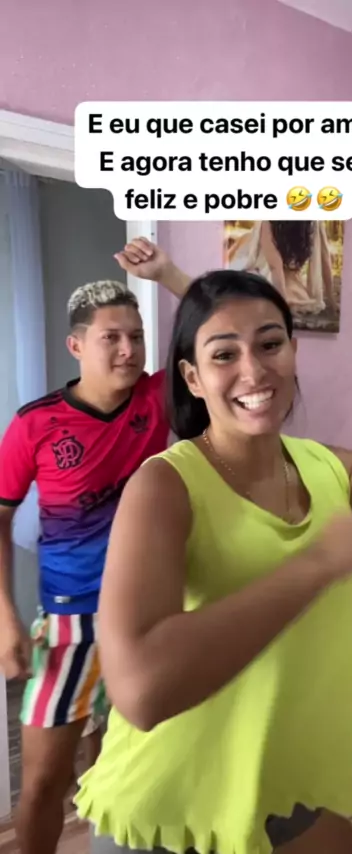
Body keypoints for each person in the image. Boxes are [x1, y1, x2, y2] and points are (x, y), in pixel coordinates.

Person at [74, 268, 352, 854]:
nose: (254, 370)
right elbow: (140, 688)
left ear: (293, 352)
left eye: (270, 344)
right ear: (192, 378)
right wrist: (315, 566)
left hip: (280, 789)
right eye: (224, 354)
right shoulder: (164, 486)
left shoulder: (328, 467)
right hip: (171, 810)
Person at [0, 260, 187, 854]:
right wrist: (4, 617)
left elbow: (217, 323)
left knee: (117, 768)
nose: (129, 350)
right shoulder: (35, 424)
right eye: (112, 337)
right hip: (68, 623)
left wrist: (168, 273)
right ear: (77, 345)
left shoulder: (155, 399)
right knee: (43, 784)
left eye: (137, 336)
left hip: (145, 617)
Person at [226, 220, 336, 315]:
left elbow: (324, 257)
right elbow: (274, 266)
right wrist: (283, 304)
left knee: (295, 297)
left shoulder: (314, 222)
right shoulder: (267, 221)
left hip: (286, 275)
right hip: (259, 265)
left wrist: (332, 301)